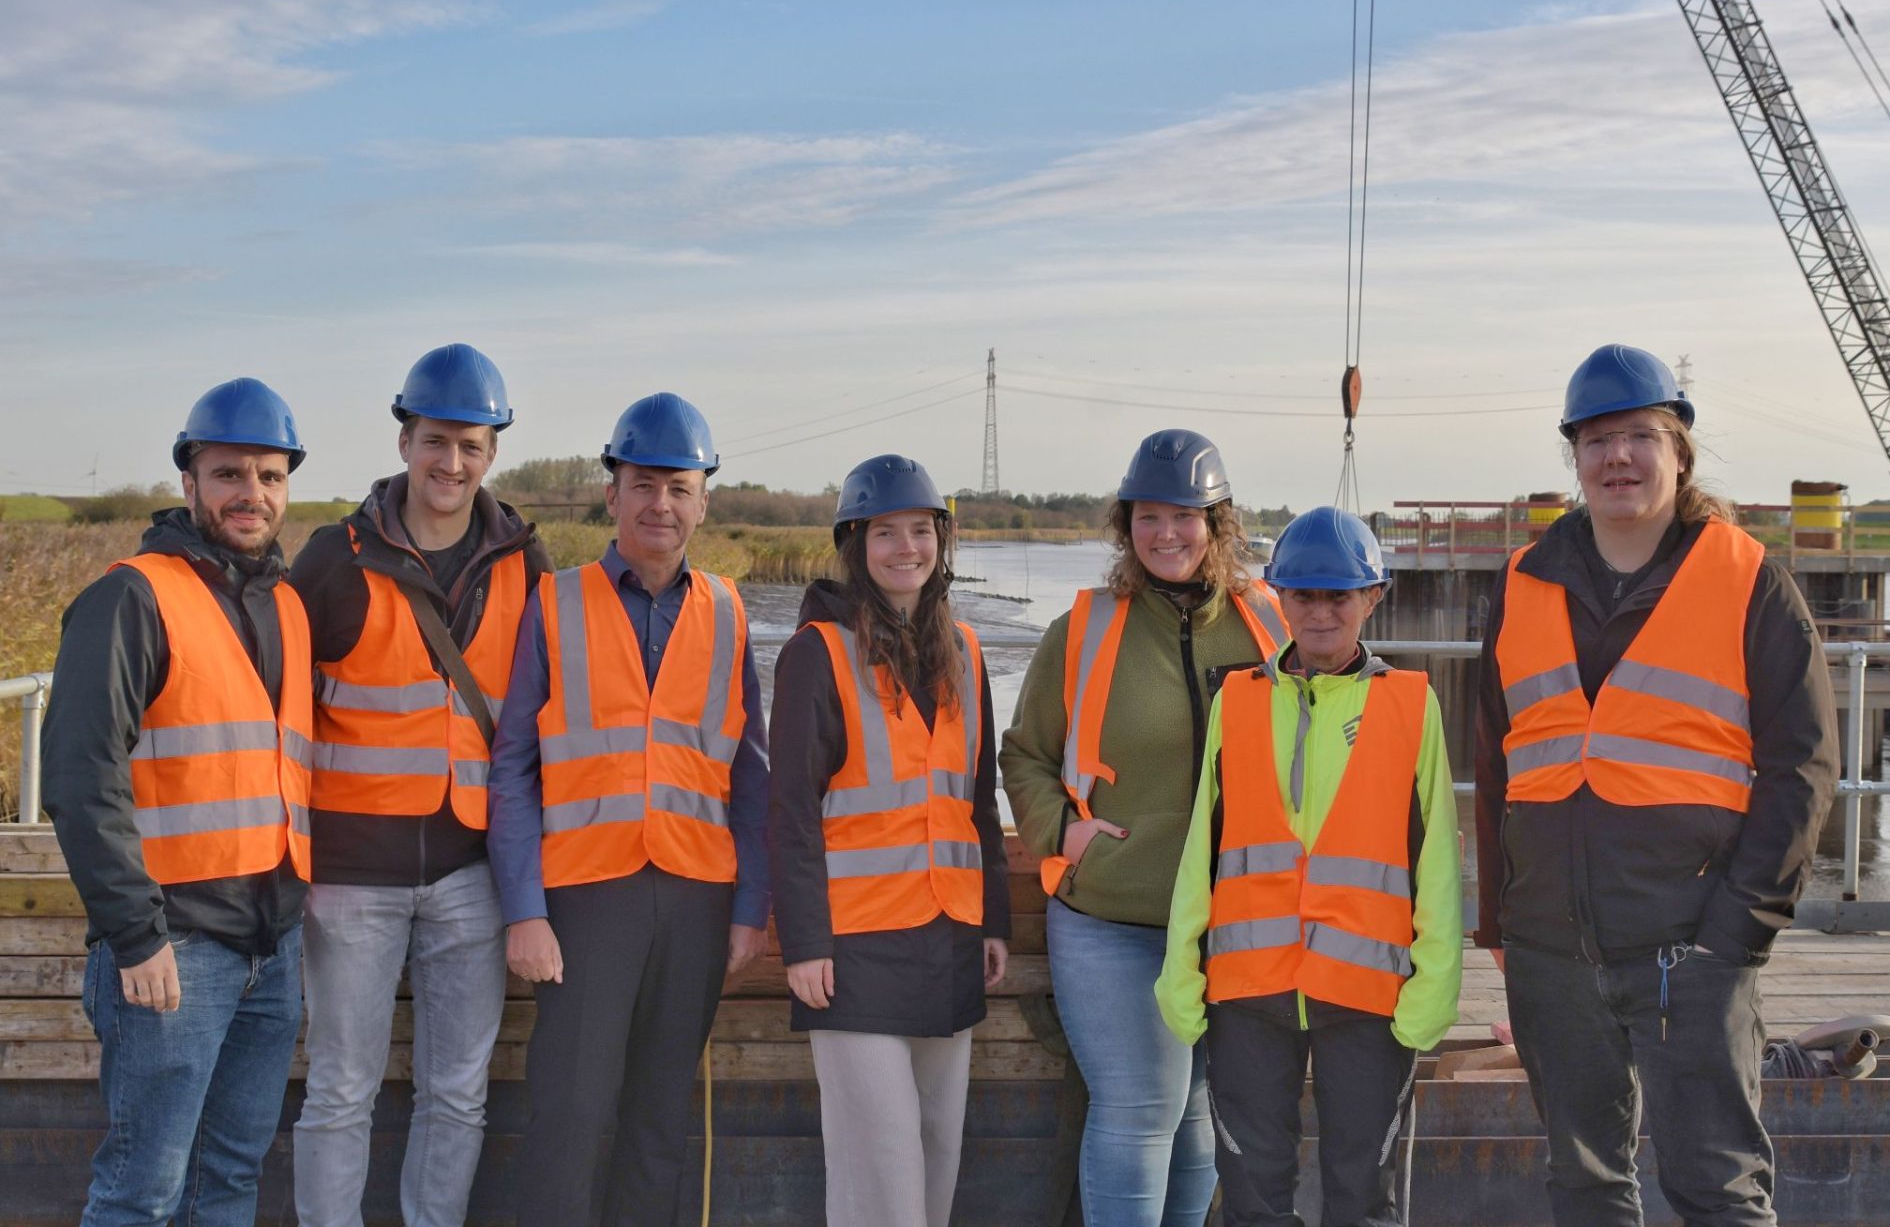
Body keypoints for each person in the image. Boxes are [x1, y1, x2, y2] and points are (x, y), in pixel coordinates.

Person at [1474, 344, 1839, 1226]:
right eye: (1596, 440)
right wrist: (1503, 925)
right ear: (1575, 459)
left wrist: (1737, 932)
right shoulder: (1523, 583)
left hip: (1691, 945)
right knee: (1585, 1184)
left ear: (1679, 452)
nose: (1618, 458)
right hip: (1553, 948)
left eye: (1641, 435)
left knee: (1716, 1186)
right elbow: (1496, 766)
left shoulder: (1747, 579)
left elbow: (1805, 767)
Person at [486, 392, 771, 1226]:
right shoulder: (556, 602)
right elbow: (512, 770)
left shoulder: (728, 610)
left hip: (695, 897)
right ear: (611, 494)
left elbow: (749, 774)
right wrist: (524, 910)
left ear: (704, 501)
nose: (661, 505)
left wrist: (751, 907)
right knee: (571, 1116)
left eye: (680, 488)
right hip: (584, 900)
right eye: (644, 484)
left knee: (658, 1123)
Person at [1001, 428, 1290, 1227]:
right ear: (1125, 526)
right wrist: (1063, 836)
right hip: (1114, 920)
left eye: (1186, 516)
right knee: (1138, 1110)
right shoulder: (1086, 631)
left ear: (1219, 523)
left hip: (1235, 922)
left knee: (1198, 1119)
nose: (1167, 534)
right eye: (1148, 517)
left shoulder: (1271, 623)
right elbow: (1024, 754)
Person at [290, 343, 550, 1226]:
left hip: (474, 874)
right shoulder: (333, 558)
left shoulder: (525, 563)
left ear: (492, 454)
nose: (452, 463)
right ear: (405, 439)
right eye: (436, 440)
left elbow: (547, 719)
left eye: (471, 446)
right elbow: (278, 719)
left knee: (457, 1093)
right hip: (350, 876)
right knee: (341, 1087)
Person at [42, 379, 313, 1226]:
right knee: (141, 1192)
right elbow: (80, 777)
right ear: (189, 482)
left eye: (270, 476)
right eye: (229, 473)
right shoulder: (133, 596)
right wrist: (134, 937)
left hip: (273, 948)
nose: (251, 494)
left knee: (229, 1178)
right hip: (172, 952)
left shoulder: (287, 604)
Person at [1157, 507, 1461, 1227]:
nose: (1321, 613)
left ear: (1373, 597)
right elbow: (1203, 841)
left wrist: (1436, 984)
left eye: (1339, 596)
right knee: (1255, 1199)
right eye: (1303, 595)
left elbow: (1439, 862)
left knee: (1361, 1195)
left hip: (1368, 996)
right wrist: (1181, 967)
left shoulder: (1412, 706)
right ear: (1277, 596)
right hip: (1247, 995)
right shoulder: (1238, 700)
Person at [768, 454, 1012, 1227]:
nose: (905, 548)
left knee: (937, 1154)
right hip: (853, 951)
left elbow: (976, 802)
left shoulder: (965, 652)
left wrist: (994, 921)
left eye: (920, 531)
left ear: (941, 541)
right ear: (855, 544)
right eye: (885, 533)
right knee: (884, 1172)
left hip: (948, 940)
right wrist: (804, 943)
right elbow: (791, 812)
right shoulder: (815, 653)